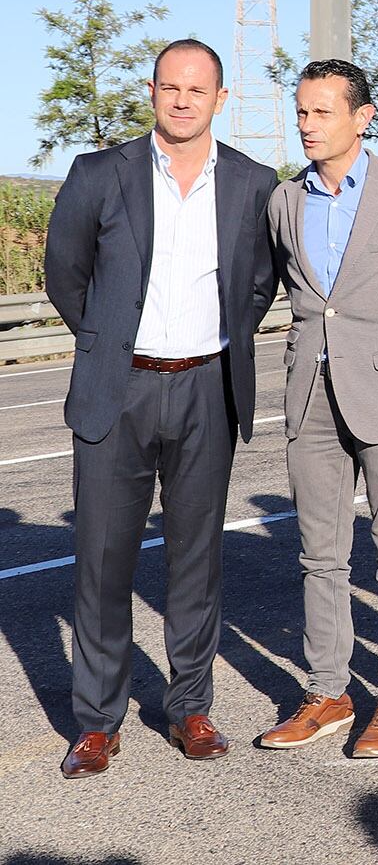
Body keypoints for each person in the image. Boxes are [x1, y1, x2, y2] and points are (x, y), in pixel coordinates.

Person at [45, 39, 279, 778]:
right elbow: (65, 273)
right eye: (169, 87)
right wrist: (112, 338)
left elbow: (258, 283)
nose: (182, 100)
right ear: (152, 91)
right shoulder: (98, 173)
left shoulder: (251, 181)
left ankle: (190, 707)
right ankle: (96, 722)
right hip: (120, 386)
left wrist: (209, 344)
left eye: (196, 89)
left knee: (196, 559)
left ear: (219, 99)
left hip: (207, 384)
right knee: (104, 561)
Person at [256, 60, 378, 759]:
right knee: (319, 556)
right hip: (310, 393)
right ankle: (328, 691)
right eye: (301, 111)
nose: (307, 123)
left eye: (321, 111)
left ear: (362, 117)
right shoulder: (284, 201)